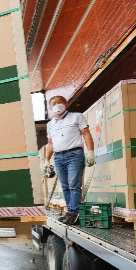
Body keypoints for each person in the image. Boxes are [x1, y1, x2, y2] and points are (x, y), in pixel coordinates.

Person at [43, 96, 96, 225]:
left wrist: (90, 152)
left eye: (60, 102)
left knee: (74, 185)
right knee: (66, 186)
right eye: (54, 103)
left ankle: (74, 213)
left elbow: (86, 133)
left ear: (66, 104)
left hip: (74, 154)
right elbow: (50, 144)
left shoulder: (77, 116)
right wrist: (46, 160)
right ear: (50, 107)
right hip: (58, 157)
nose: (57, 105)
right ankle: (70, 213)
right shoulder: (50, 124)